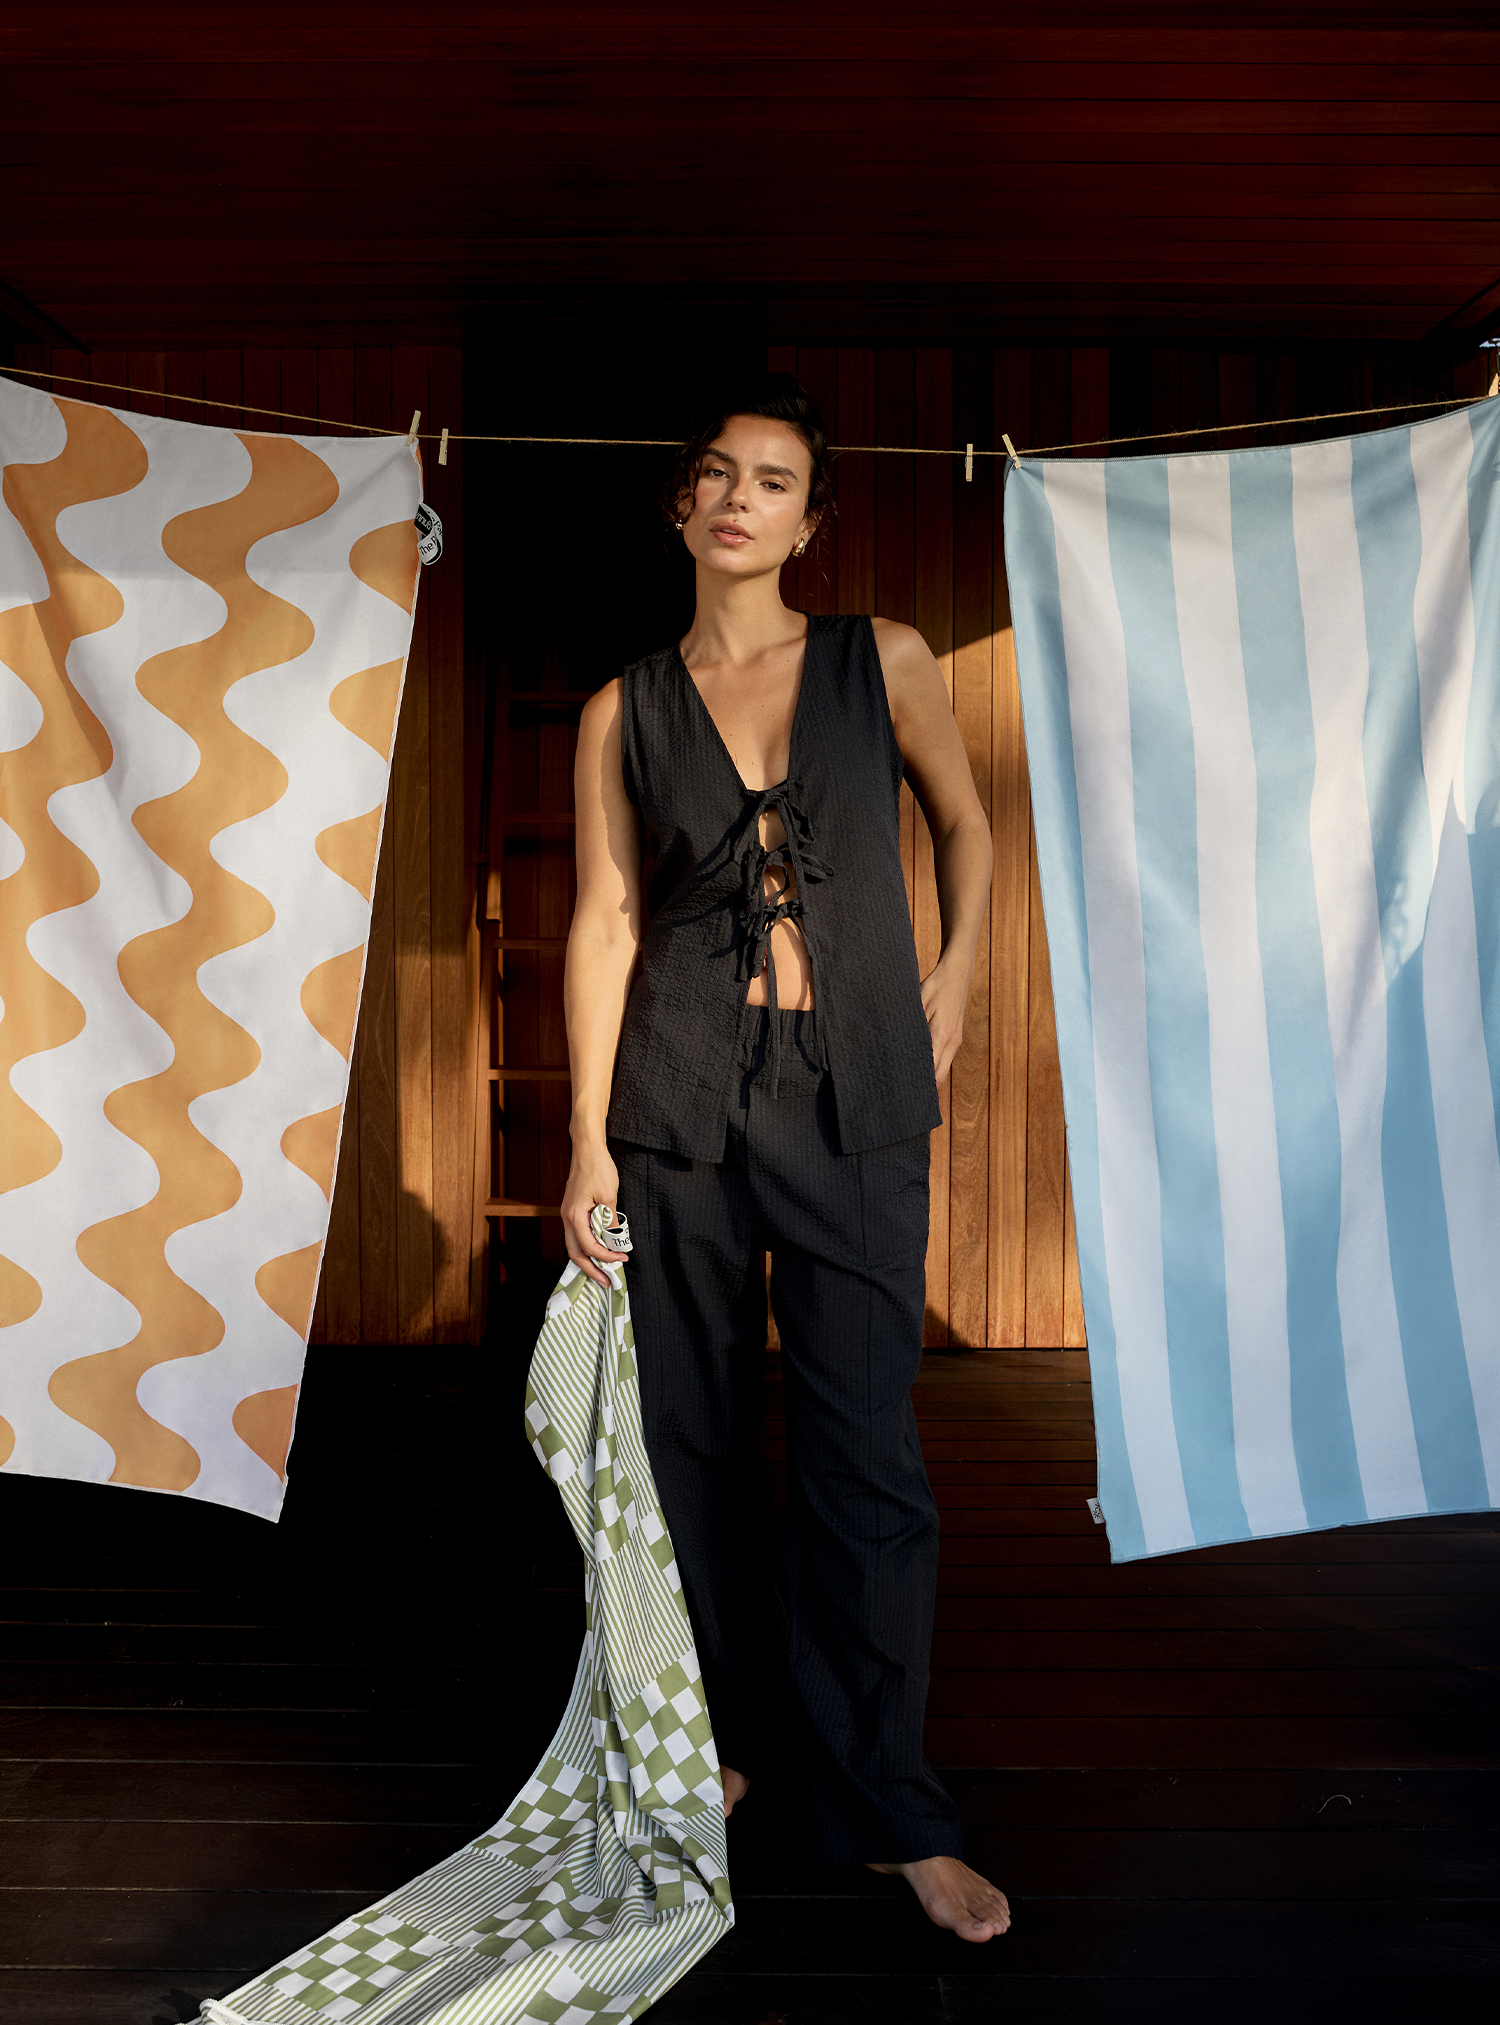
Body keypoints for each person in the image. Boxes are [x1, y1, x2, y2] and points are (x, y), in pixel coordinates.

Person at [561, 374, 1009, 1944]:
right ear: (683, 505)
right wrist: (584, 1140)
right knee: (684, 1445)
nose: (738, 498)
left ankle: (890, 1807)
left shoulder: (882, 659)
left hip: (855, 1088)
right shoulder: (623, 708)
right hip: (676, 1098)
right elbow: (608, 922)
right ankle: (722, 1751)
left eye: (772, 480)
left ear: (811, 522)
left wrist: (957, 975)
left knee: (863, 1452)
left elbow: (968, 826)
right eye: (717, 474)